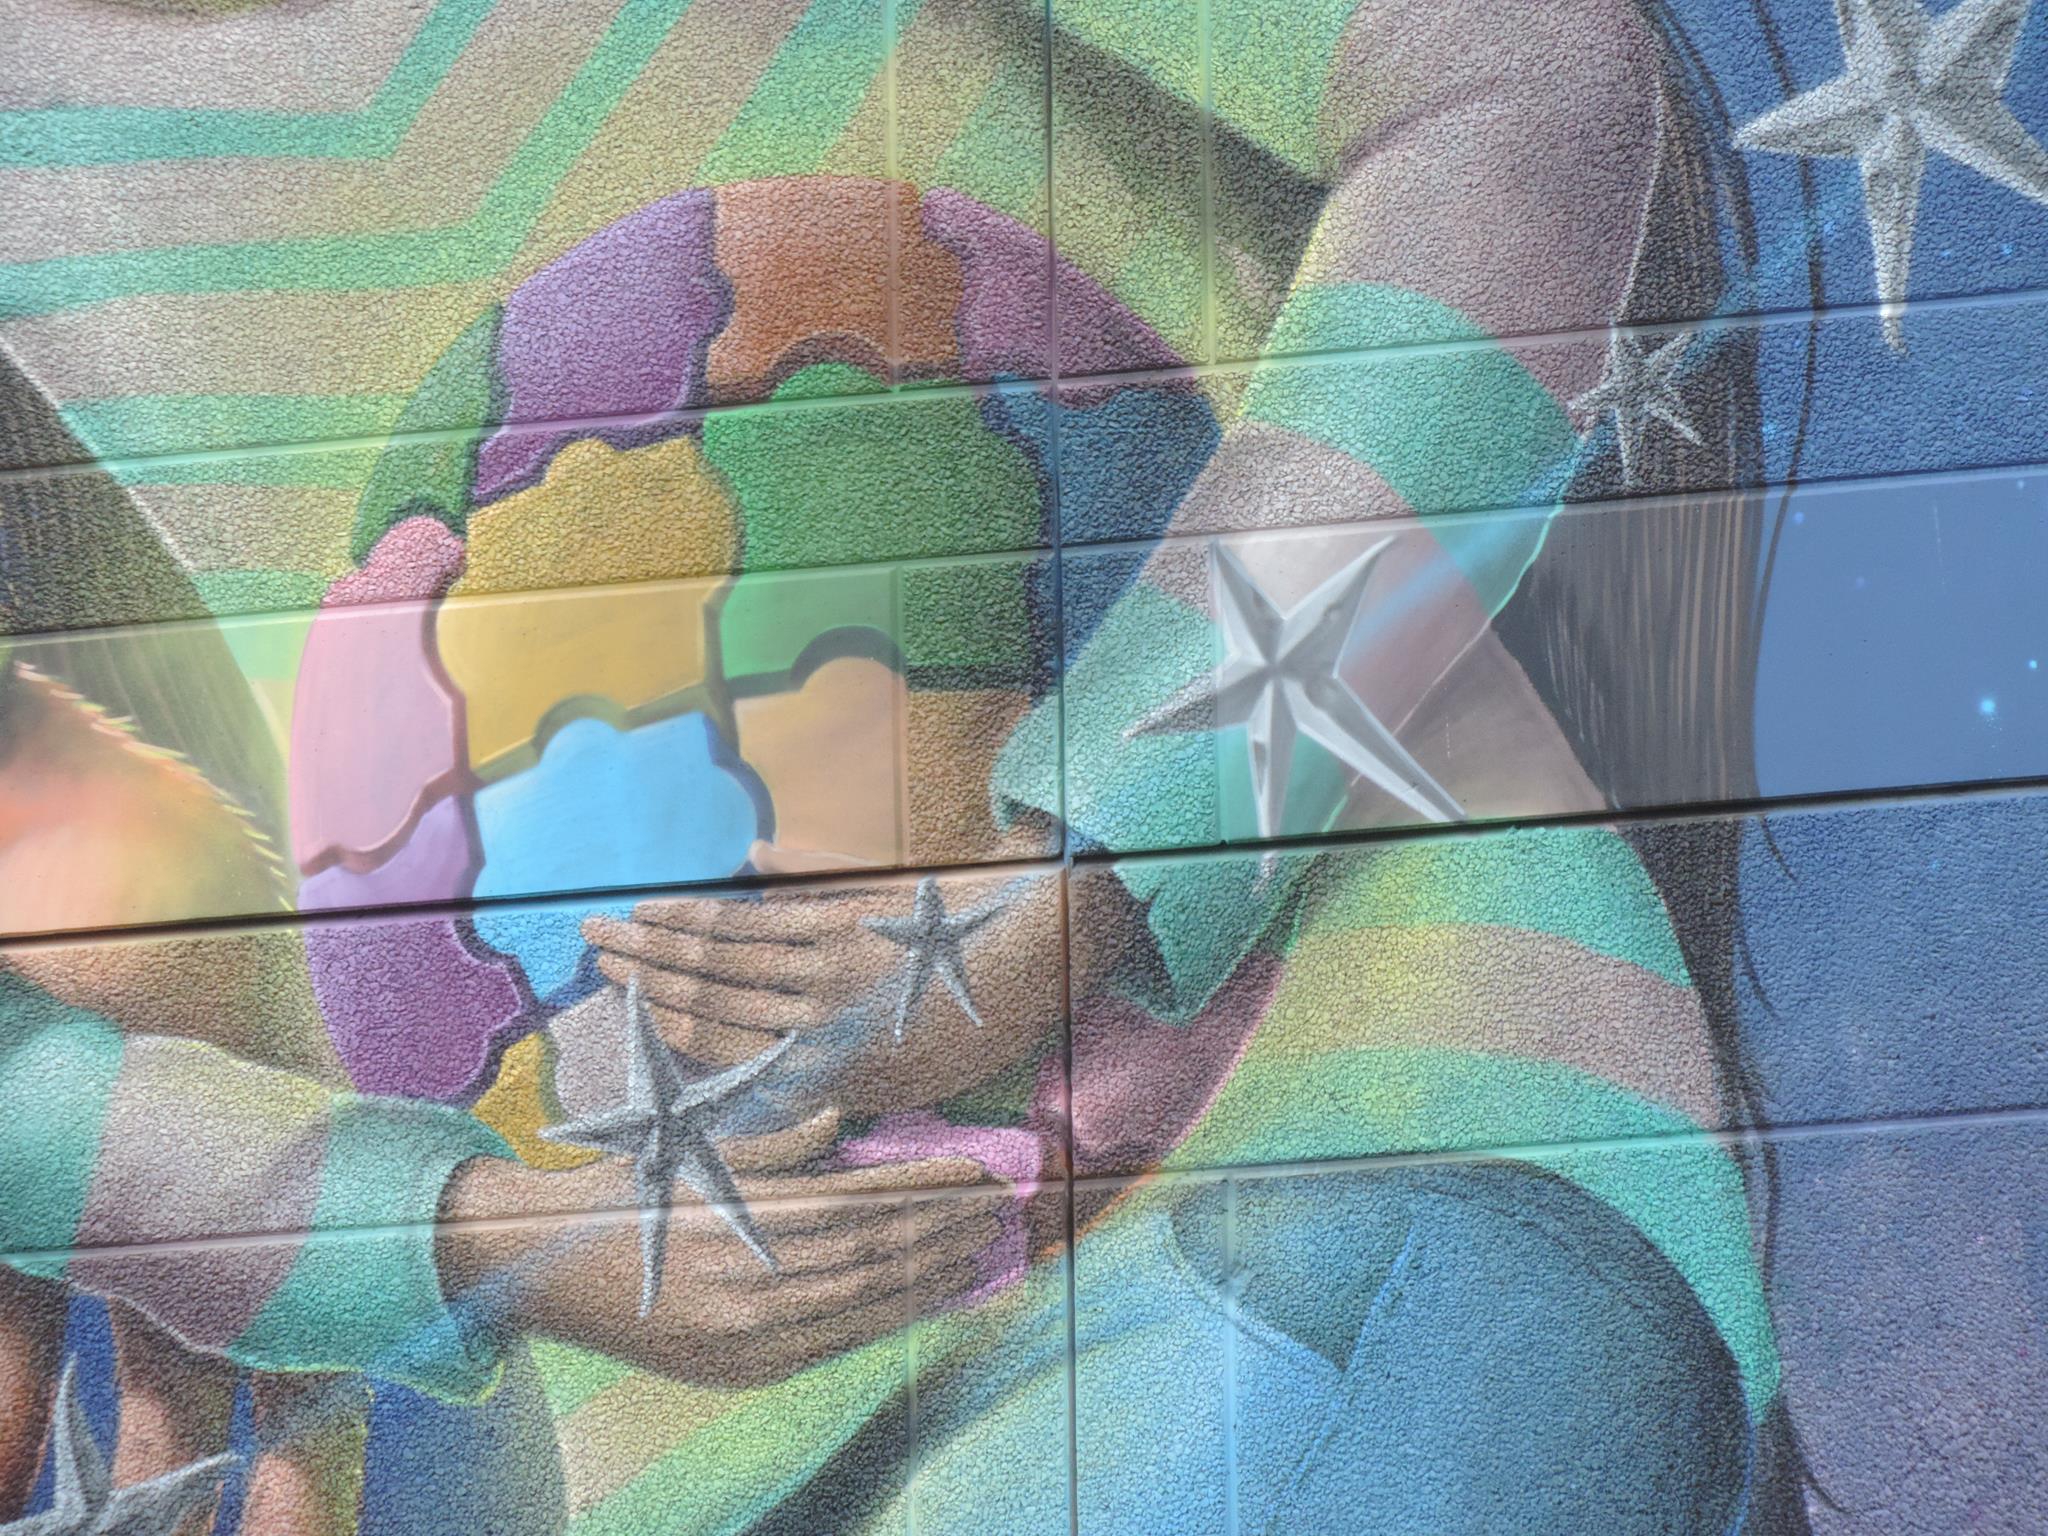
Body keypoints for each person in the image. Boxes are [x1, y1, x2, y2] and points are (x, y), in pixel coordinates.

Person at [0, 0, 1824, 1529]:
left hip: (1361, 1182)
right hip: (704, 1458)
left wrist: (1084, 875)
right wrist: (487, 1235)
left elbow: (1522, 78)